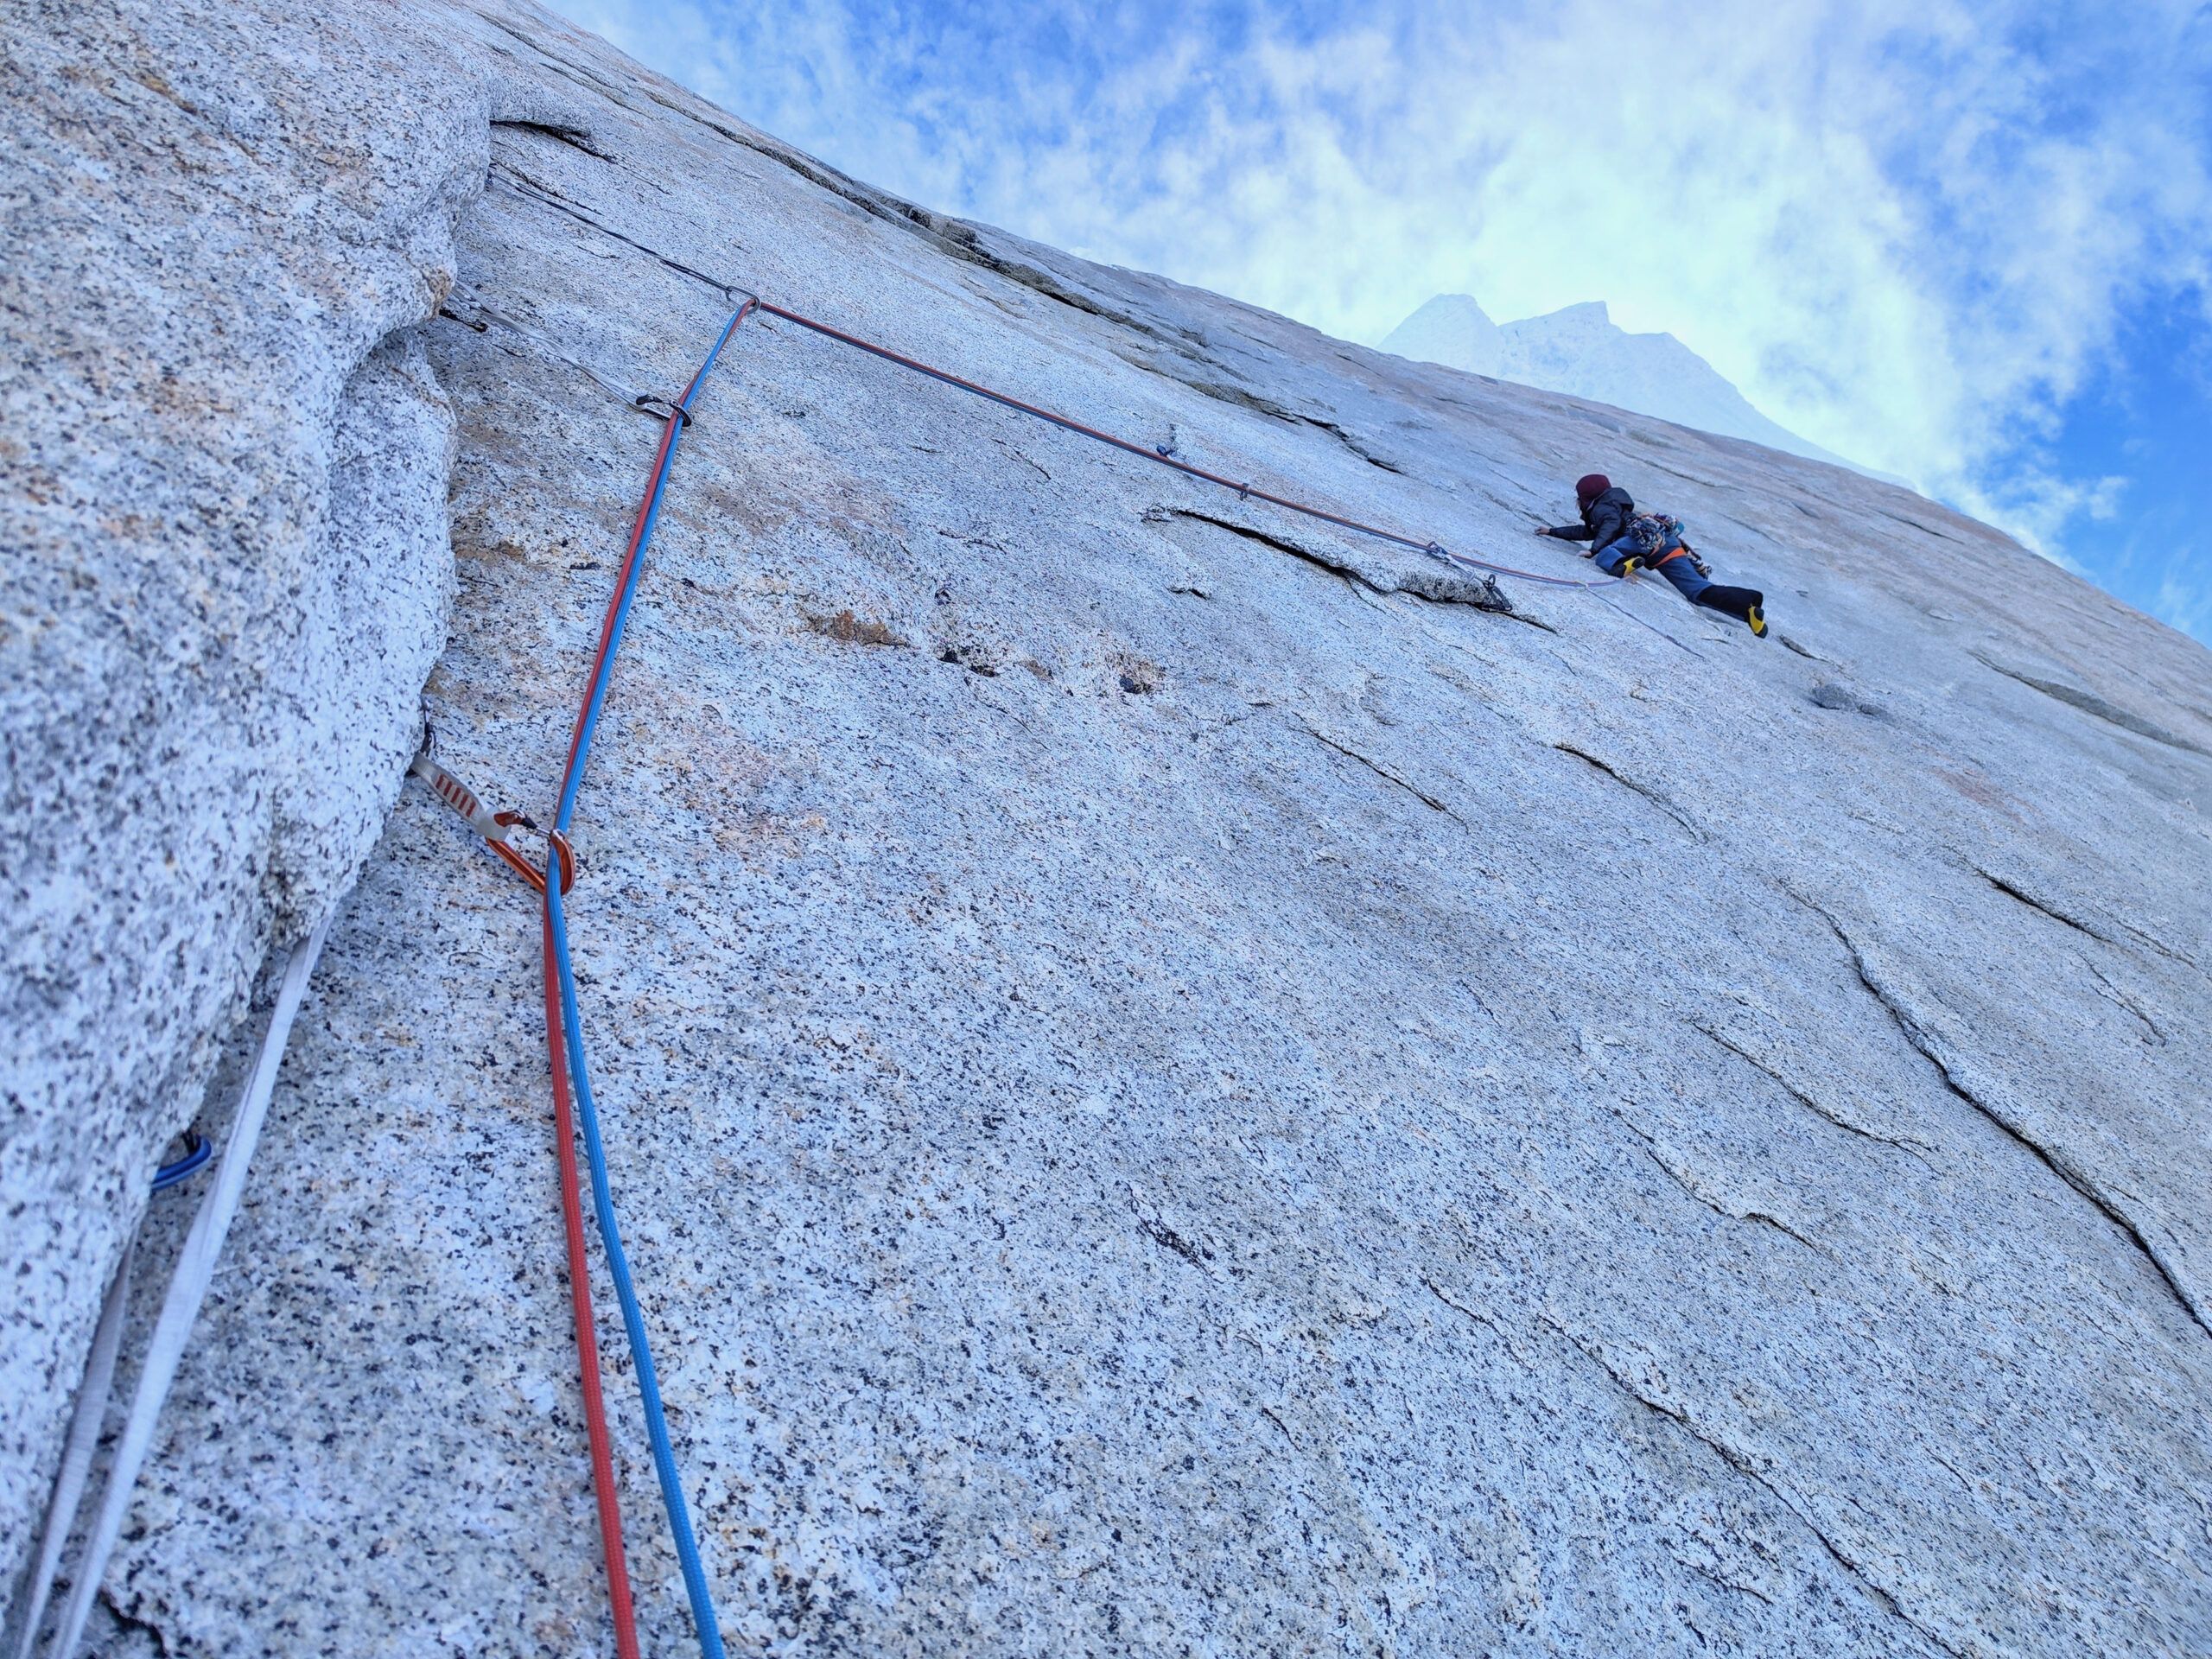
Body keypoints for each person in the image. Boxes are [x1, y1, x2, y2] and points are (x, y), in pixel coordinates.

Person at [1535, 473, 1767, 637]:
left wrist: (1594, 550)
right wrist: (1552, 531)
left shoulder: (1602, 508)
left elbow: (1607, 527)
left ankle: (1622, 564)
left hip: (1638, 541)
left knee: (1606, 553)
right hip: (1666, 542)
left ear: (1585, 496)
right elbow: (1586, 531)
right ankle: (1747, 608)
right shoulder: (1618, 503)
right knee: (1696, 591)